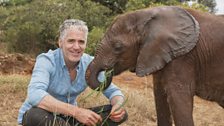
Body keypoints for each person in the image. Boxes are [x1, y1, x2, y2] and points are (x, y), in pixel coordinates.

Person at [17, 19, 128, 126]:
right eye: (71, 41)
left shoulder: (90, 64)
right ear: (60, 42)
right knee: (35, 115)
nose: (76, 47)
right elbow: (35, 95)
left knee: (121, 114)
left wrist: (117, 105)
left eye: (81, 42)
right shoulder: (46, 60)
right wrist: (77, 112)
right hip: (43, 116)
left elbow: (113, 92)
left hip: (69, 119)